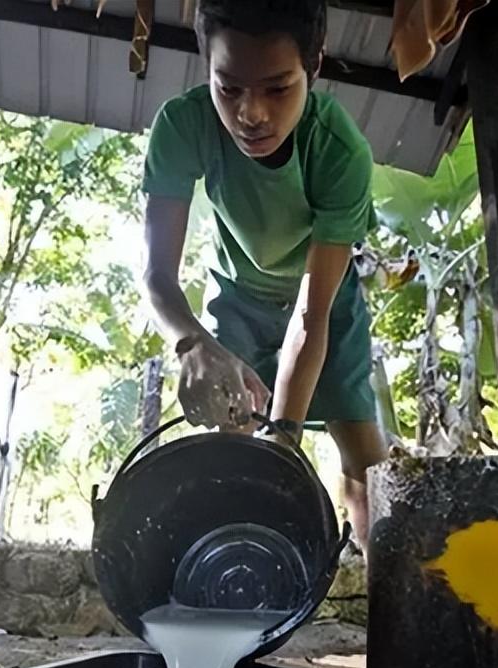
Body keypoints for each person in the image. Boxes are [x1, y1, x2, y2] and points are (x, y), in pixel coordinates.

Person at [140, 0, 387, 546]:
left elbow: (311, 313)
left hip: (326, 306)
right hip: (236, 298)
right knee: (233, 454)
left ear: (313, 67)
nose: (251, 113)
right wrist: (192, 344)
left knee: (370, 474)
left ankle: (390, 619)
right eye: (228, 88)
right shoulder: (182, 126)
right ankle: (236, 603)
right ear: (206, 67)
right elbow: (158, 276)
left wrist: (287, 437)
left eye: (278, 89)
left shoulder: (339, 149)